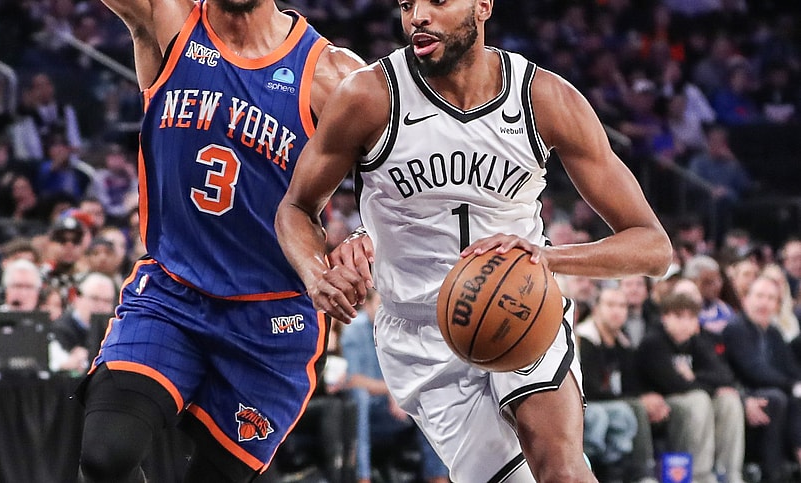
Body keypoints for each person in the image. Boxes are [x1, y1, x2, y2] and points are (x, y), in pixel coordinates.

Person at [275, 1, 673, 481]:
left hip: (521, 302)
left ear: (483, 5)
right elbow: (296, 207)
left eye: (438, 1)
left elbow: (653, 247)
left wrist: (547, 258)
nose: (418, 16)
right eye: (407, 4)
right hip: (422, 333)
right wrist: (317, 274)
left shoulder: (544, 98)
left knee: (561, 469)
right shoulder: (369, 95)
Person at [76, 0, 365, 481]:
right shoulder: (168, 20)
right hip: (174, 292)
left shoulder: (331, 74)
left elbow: (401, 176)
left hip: (271, 318)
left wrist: (364, 234)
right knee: (106, 454)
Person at [636, 292, 746, 483]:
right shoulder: (653, 342)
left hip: (691, 398)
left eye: (691, 318)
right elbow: (674, 384)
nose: (685, 324)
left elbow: (724, 376)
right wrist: (708, 387)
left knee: (729, 400)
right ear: (665, 317)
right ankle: (699, 475)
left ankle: (730, 473)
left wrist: (695, 377)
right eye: (679, 317)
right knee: (699, 399)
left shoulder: (697, 342)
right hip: (663, 404)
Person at [341, 289, 449, 483]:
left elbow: (415, 372)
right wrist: (393, 391)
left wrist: (401, 395)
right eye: (380, 305)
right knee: (360, 398)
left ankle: (438, 477)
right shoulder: (355, 329)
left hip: (394, 407)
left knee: (429, 397)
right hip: (369, 408)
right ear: (367, 305)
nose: (385, 311)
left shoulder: (398, 326)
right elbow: (354, 380)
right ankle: (362, 478)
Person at [722, 276, 801, 481]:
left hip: (771, 392)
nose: (764, 303)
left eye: (770, 298)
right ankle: (772, 473)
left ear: (777, 305)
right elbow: (753, 371)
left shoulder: (773, 332)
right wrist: (792, 385)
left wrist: (796, 384)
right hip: (742, 393)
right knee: (776, 398)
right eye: (759, 296)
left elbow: (791, 367)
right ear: (746, 299)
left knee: (795, 399)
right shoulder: (736, 328)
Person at [575, 286, 657, 483]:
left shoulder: (622, 342)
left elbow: (631, 384)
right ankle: (640, 472)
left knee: (629, 409)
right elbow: (590, 389)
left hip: (609, 402)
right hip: (583, 404)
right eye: (610, 305)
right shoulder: (583, 338)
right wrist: (635, 399)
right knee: (619, 412)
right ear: (596, 309)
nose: (617, 311)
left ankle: (626, 474)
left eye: (622, 306)